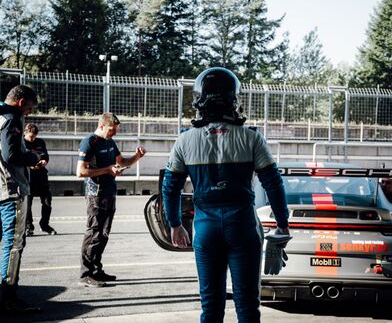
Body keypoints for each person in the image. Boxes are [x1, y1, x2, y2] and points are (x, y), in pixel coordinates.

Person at [162, 67, 290, 323]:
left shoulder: (184, 141)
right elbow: (273, 185)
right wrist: (282, 225)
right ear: (234, 99)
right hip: (242, 225)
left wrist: (175, 225)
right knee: (247, 305)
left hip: (205, 228)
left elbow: (170, 187)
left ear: (199, 99)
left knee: (210, 306)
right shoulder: (252, 137)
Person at [76, 113, 146, 287]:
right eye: (111, 131)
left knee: (104, 234)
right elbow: (81, 172)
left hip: (109, 193)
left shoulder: (110, 142)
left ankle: (97, 270)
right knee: (94, 232)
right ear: (102, 126)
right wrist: (107, 170)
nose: (114, 134)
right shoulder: (89, 142)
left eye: (115, 131)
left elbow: (121, 162)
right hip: (95, 194)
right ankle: (85, 274)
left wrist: (136, 157)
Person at [0, 85, 41, 313]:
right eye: (28, 108)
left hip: (0, 187)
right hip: (11, 188)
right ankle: (8, 296)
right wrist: (31, 156)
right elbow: (11, 155)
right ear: (20, 101)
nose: (28, 113)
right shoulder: (11, 118)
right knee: (14, 242)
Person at [24, 123, 57, 236]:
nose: (32, 139)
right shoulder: (21, 143)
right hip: (28, 177)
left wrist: (44, 161)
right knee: (28, 204)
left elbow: (45, 155)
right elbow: (19, 159)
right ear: (25, 133)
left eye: (34, 137)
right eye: (30, 137)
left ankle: (45, 225)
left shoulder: (40, 142)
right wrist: (30, 166)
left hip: (41, 176)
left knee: (47, 201)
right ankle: (28, 227)